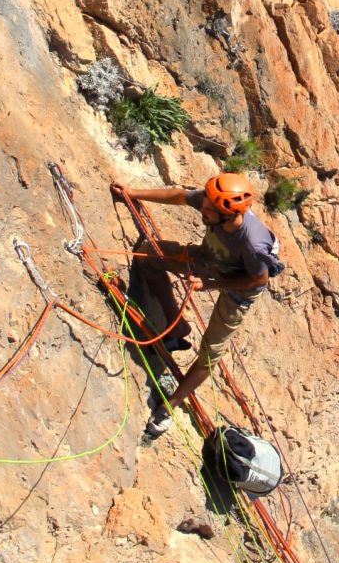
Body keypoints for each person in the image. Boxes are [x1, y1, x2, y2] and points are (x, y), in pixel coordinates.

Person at [112, 171, 281, 425]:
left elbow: (258, 280)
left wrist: (213, 284)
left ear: (229, 214)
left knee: (209, 355)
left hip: (240, 288)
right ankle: (177, 325)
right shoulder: (215, 202)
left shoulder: (253, 244)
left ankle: (171, 405)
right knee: (147, 257)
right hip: (212, 257)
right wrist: (132, 192)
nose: (203, 208)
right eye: (205, 203)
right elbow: (180, 196)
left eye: (209, 209)